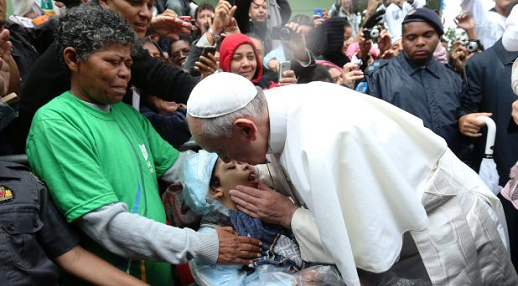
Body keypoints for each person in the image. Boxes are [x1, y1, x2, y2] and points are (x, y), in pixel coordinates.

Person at [186, 72, 517, 285]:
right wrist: (265, 174)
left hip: (445, 232)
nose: (228, 161)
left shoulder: (325, 143)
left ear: (246, 128)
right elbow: (282, 155)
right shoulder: (276, 107)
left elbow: (364, 243)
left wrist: (288, 214)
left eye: (223, 151)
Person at [26, 6, 261, 285]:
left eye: (128, 63)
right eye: (113, 62)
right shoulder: (56, 123)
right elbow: (107, 224)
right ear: (73, 59)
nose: (125, 73)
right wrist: (201, 244)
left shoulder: (128, 116)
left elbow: (185, 169)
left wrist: (249, 165)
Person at [358, 8, 473, 166]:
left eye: (428, 35)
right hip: (400, 172)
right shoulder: (379, 76)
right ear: (403, 40)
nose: (420, 42)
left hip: (450, 171)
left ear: (438, 37)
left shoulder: (453, 78)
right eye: (412, 37)